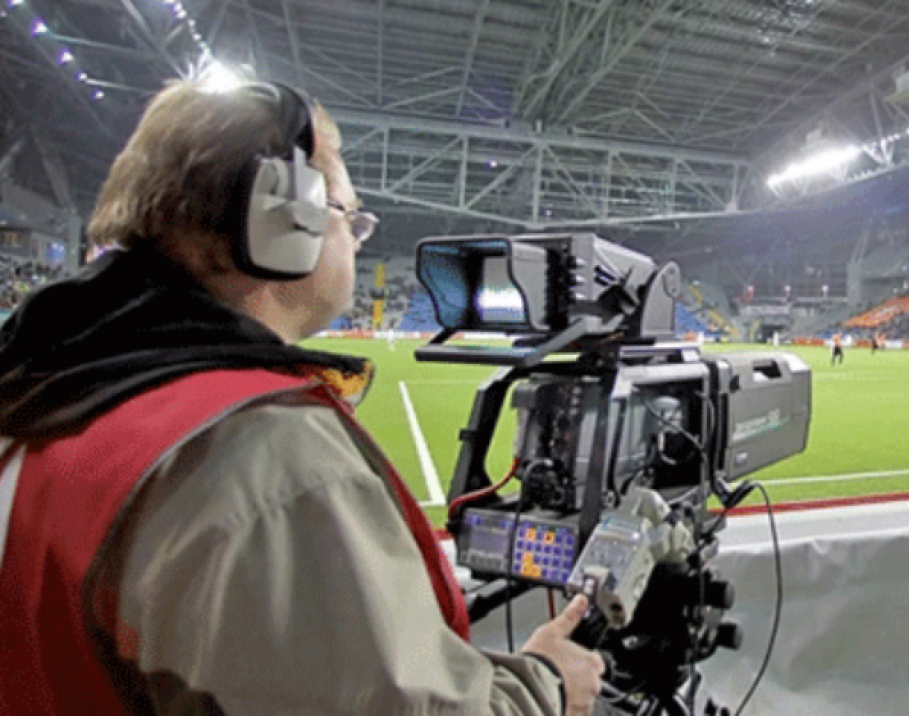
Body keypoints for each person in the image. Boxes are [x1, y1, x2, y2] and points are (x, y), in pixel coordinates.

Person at [0, 80, 603, 715]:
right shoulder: (258, 450)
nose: (356, 238)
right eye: (349, 216)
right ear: (283, 222)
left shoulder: (48, 397)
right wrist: (547, 682)